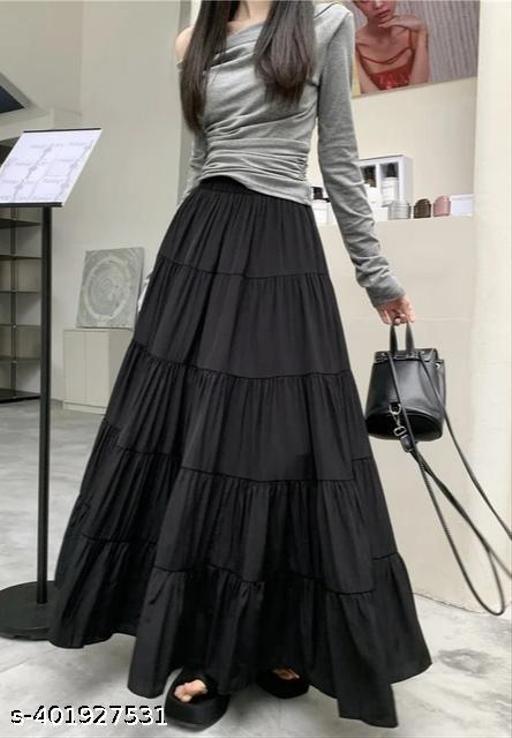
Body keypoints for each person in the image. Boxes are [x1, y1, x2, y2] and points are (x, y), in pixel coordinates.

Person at [49, 0, 432, 730]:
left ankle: (276, 634)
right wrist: (169, 276)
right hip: (200, 244)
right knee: (190, 441)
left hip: (280, 240)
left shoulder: (325, 23)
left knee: (276, 445)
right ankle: (204, 645)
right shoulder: (193, 39)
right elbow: (202, 161)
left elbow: (338, 156)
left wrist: (376, 275)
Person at [352, 0, 430, 92]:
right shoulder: (353, 46)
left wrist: (422, 32)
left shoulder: (413, 32)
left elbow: (418, 91)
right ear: (356, 5)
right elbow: (375, 99)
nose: (378, 5)